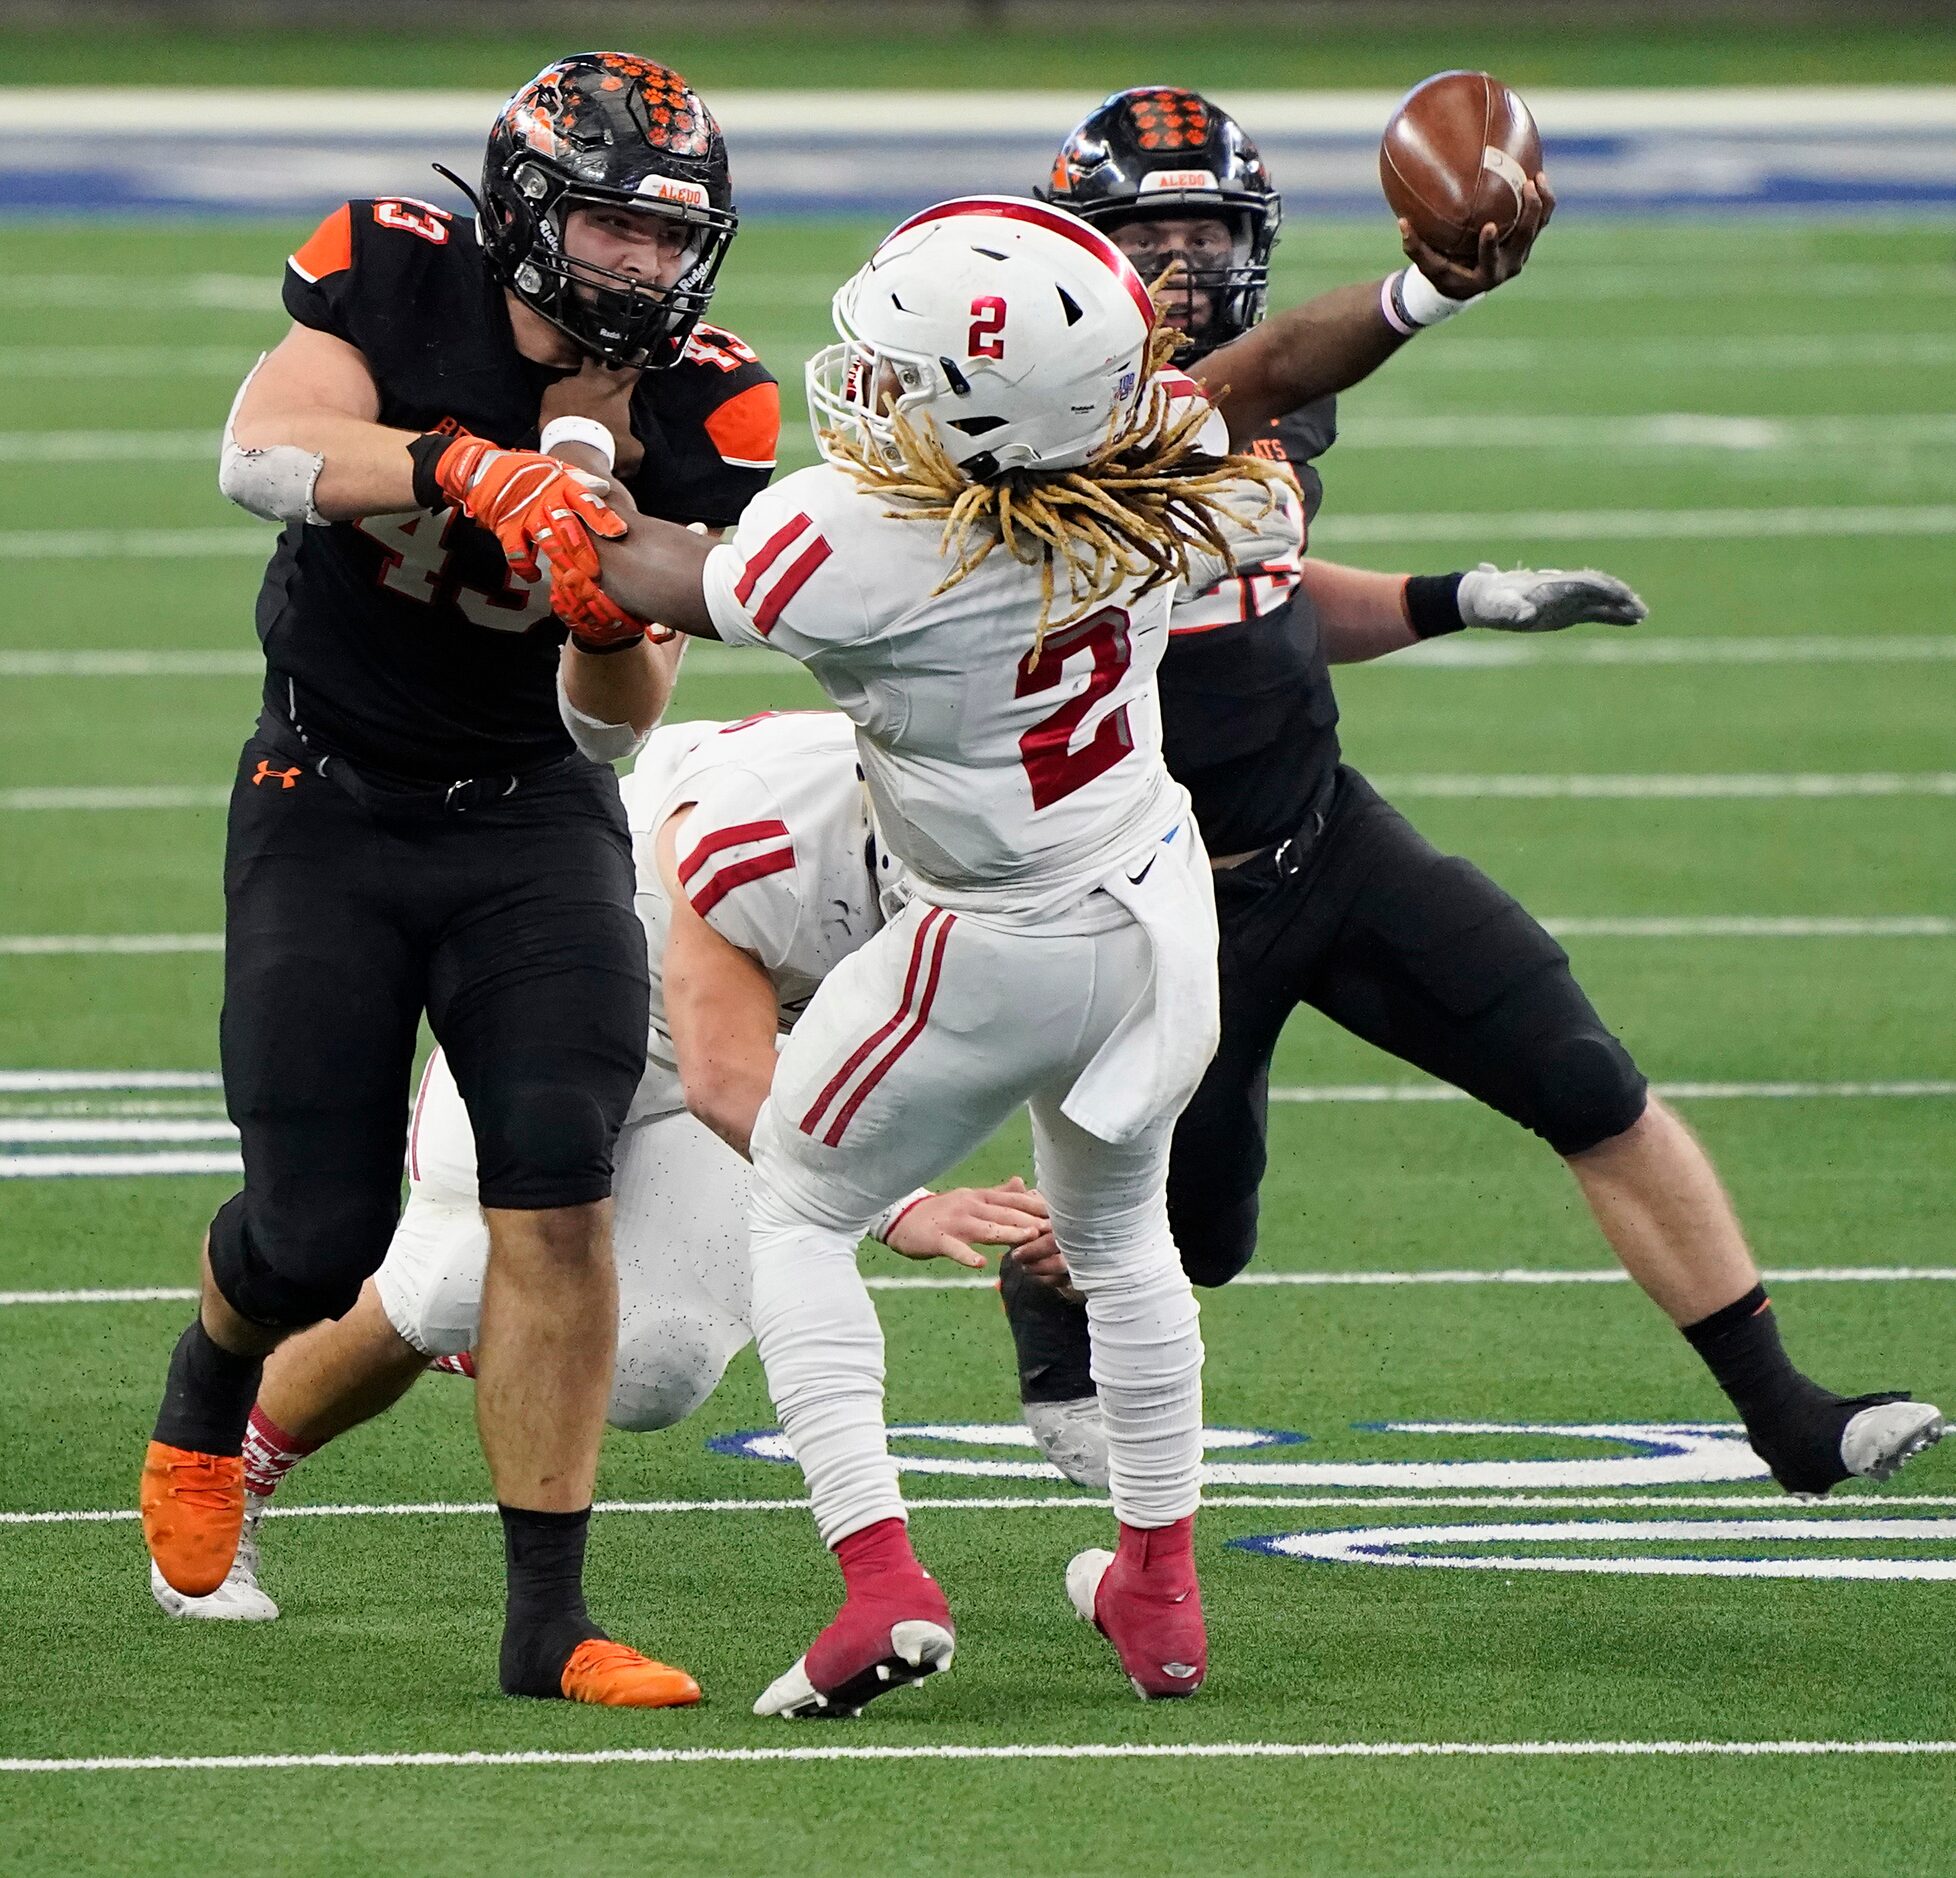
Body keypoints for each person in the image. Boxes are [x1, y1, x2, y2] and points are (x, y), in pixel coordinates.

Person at [994, 86, 1945, 1496]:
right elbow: (1227, 412)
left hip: (1320, 830)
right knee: (1197, 1238)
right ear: (1080, 248)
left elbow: (1256, 596)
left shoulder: (1278, 394)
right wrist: (1418, 291)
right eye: (1154, 231)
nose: (1187, 262)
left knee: (1581, 1075)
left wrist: (1459, 598)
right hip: (1154, 899)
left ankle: (1783, 1412)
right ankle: (1048, 1285)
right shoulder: (1037, 417)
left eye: (1210, 228)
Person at [534, 195, 1297, 1710]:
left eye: (899, 369)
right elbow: (1267, 402)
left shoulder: (862, 538)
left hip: (1000, 936)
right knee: (1124, 1237)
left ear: (974, 411)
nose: (867, 386)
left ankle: (880, 1580)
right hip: (1159, 911)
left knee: (801, 1215)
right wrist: (1416, 295)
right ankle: (1159, 1590)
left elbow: (657, 578)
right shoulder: (1168, 481)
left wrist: (569, 455)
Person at [138, 52, 783, 1708]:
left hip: (533, 814)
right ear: (518, 206)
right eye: (608, 228)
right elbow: (259, 448)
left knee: (556, 1185)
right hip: (327, 790)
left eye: (667, 238)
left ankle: (544, 1623)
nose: (641, 266)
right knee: (314, 1227)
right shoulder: (396, 263)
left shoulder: (716, 406)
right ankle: (214, 1383)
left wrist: (599, 614)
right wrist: (460, 466)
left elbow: (616, 723)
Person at [151, 709, 1051, 1623]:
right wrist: (898, 1204)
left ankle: (526, 1341)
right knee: (439, 1285)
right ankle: (239, 1469)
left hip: (741, 1049)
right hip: (572, 1008)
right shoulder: (758, 835)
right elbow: (728, 1082)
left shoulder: (974, 836)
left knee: (663, 1370)